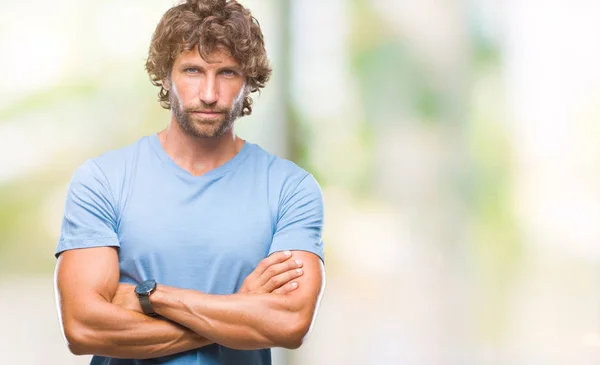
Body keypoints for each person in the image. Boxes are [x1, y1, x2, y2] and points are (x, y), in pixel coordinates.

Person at [53, 0, 326, 364]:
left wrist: (152, 297)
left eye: (227, 73)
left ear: (249, 81)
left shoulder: (290, 188)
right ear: (166, 75)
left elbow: (289, 323)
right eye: (193, 70)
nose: (210, 94)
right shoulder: (103, 180)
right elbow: (83, 328)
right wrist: (240, 311)